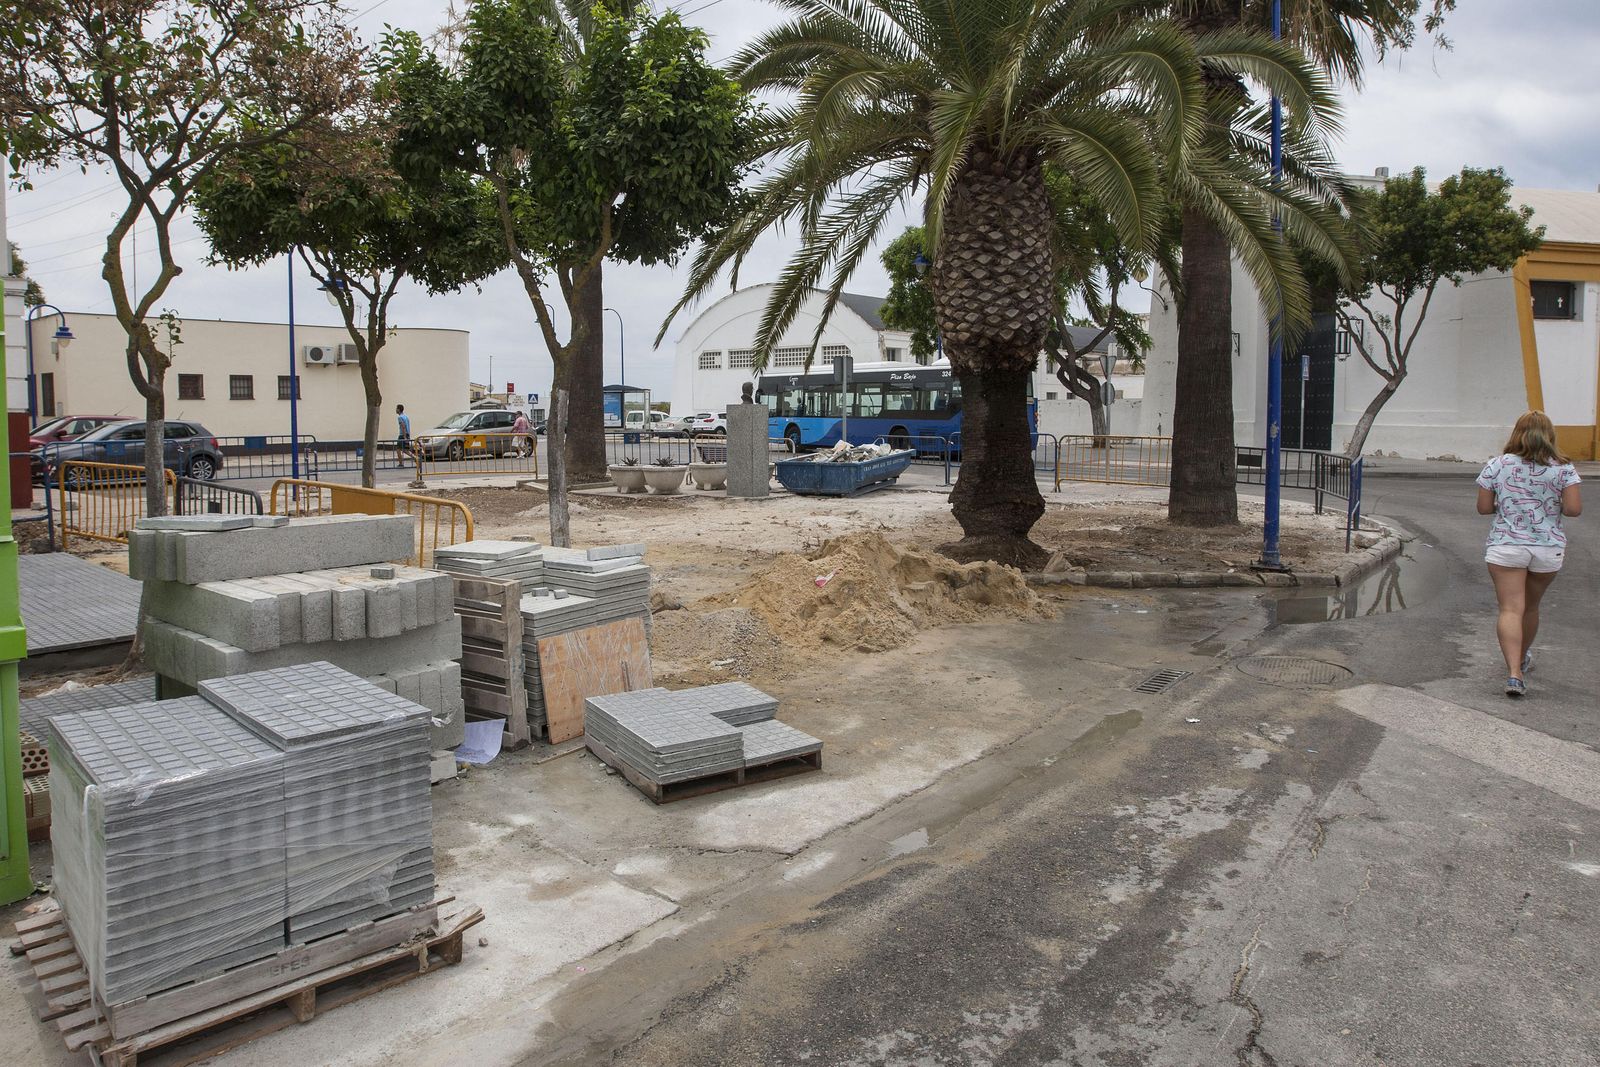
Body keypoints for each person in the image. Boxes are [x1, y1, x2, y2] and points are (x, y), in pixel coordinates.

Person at [1475, 410, 1582, 698]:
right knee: (1531, 608)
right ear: (1550, 434)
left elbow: (1484, 508)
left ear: (1517, 432)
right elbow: (1573, 509)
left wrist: (1509, 505)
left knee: (1511, 608)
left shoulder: (1496, 466)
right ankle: (1522, 657)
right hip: (1547, 548)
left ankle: (1514, 674)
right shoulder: (1563, 469)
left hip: (1506, 546)